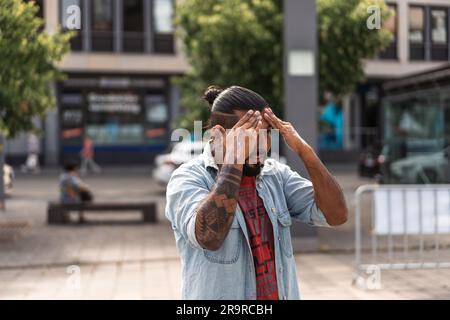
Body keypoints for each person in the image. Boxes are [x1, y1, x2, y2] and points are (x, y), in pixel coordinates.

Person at [165, 85, 348, 300]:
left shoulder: (275, 174)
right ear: (219, 134)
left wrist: (304, 151)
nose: (263, 145)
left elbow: (336, 215)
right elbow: (208, 237)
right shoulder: (187, 178)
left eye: (267, 134)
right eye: (251, 135)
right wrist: (234, 158)